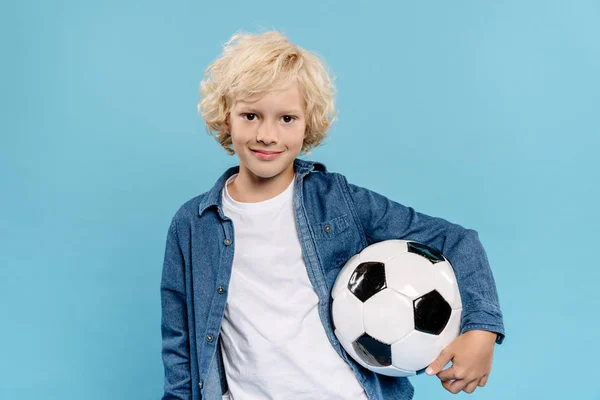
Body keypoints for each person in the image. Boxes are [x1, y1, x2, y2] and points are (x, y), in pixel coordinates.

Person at [160, 30, 505, 400]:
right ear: (226, 118)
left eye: (287, 118)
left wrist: (481, 331)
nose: (267, 134)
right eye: (251, 115)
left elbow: (457, 239)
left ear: (308, 123)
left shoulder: (337, 201)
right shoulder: (194, 224)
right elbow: (179, 341)